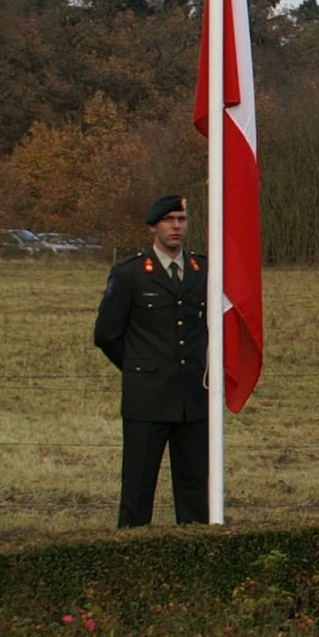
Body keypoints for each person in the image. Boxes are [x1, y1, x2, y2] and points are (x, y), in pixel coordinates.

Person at [93, 194, 209, 527]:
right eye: (168, 220)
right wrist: (140, 368)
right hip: (147, 399)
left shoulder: (203, 271)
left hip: (192, 399)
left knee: (195, 492)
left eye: (181, 219)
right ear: (153, 227)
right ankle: (131, 559)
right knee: (138, 489)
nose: (176, 226)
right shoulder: (131, 273)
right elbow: (106, 334)